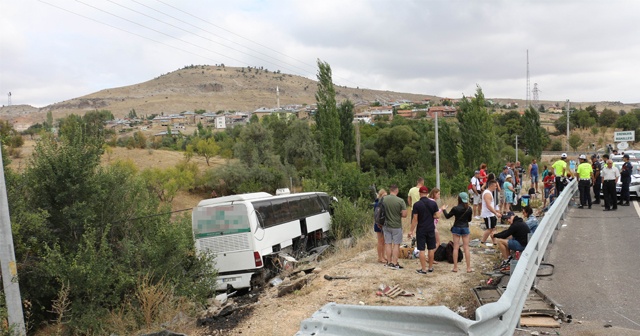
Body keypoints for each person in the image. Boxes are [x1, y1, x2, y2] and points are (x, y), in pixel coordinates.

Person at [408, 186, 441, 274]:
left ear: (419, 193)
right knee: (431, 248)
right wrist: (432, 216)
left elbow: (415, 219)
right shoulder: (433, 204)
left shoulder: (417, 205)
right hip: (431, 228)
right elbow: (438, 215)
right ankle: (430, 267)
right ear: (427, 193)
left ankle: (423, 269)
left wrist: (411, 230)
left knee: (421, 249)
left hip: (421, 229)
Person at [443, 192, 473, 273]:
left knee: (455, 247)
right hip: (465, 228)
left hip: (456, 228)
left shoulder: (455, 208)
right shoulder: (469, 209)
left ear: (459, 199)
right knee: (466, 248)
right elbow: (469, 220)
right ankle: (468, 268)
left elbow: (447, 216)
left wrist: (444, 210)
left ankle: (455, 267)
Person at [382, 185, 407, 270]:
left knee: (388, 243)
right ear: (397, 191)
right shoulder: (400, 201)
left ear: (390, 190)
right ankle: (395, 262)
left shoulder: (384, 199)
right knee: (396, 244)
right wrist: (398, 213)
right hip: (396, 225)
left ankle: (388, 262)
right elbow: (404, 215)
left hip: (386, 225)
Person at [480, 180, 502, 245]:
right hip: (488, 214)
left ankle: (494, 242)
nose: (496, 188)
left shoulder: (489, 193)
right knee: (489, 229)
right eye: (495, 186)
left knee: (493, 228)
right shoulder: (487, 193)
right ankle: (482, 242)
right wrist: (496, 213)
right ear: (491, 185)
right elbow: (488, 205)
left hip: (491, 214)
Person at [373, 189, 388, 263]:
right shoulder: (378, 204)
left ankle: (383, 256)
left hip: (383, 224)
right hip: (378, 224)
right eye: (384, 195)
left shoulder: (382, 203)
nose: (385, 197)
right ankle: (380, 257)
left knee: (384, 241)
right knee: (380, 241)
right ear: (380, 195)